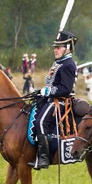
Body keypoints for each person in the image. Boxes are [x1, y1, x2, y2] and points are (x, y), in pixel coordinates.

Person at [28, 31, 78, 169]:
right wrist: (41, 91)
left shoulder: (68, 64)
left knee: (40, 121)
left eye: (59, 47)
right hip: (51, 98)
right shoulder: (58, 62)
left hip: (61, 101)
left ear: (67, 48)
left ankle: (44, 158)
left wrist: (49, 91)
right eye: (55, 47)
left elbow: (66, 88)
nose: (55, 49)